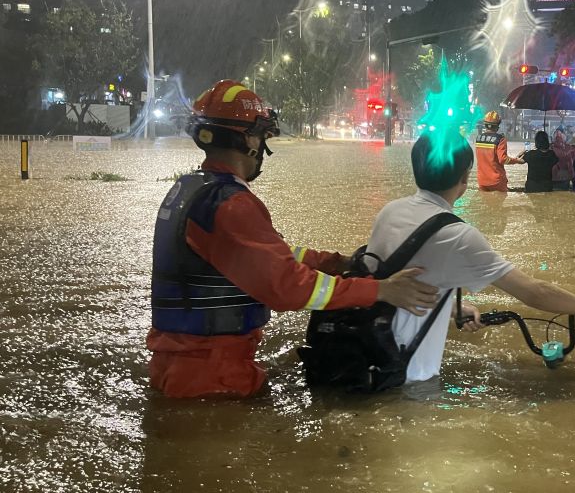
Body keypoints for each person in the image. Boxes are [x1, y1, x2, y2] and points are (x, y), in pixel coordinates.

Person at [147, 80, 437, 398]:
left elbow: (270, 257)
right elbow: (287, 286)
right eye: (261, 135)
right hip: (213, 376)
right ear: (247, 139)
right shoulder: (231, 205)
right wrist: (381, 290)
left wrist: (336, 263)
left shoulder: (193, 189)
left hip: (182, 364)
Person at [363, 132, 575, 383]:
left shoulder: (390, 211)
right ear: (464, 179)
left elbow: (393, 284)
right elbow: (533, 292)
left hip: (369, 354)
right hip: (407, 374)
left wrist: (451, 308)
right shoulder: (457, 234)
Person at [474, 110, 524, 192]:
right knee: (499, 202)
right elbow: (503, 159)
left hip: (482, 180)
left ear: (485, 125)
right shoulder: (500, 139)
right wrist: (517, 160)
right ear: (497, 126)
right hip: (496, 181)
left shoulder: (478, 138)